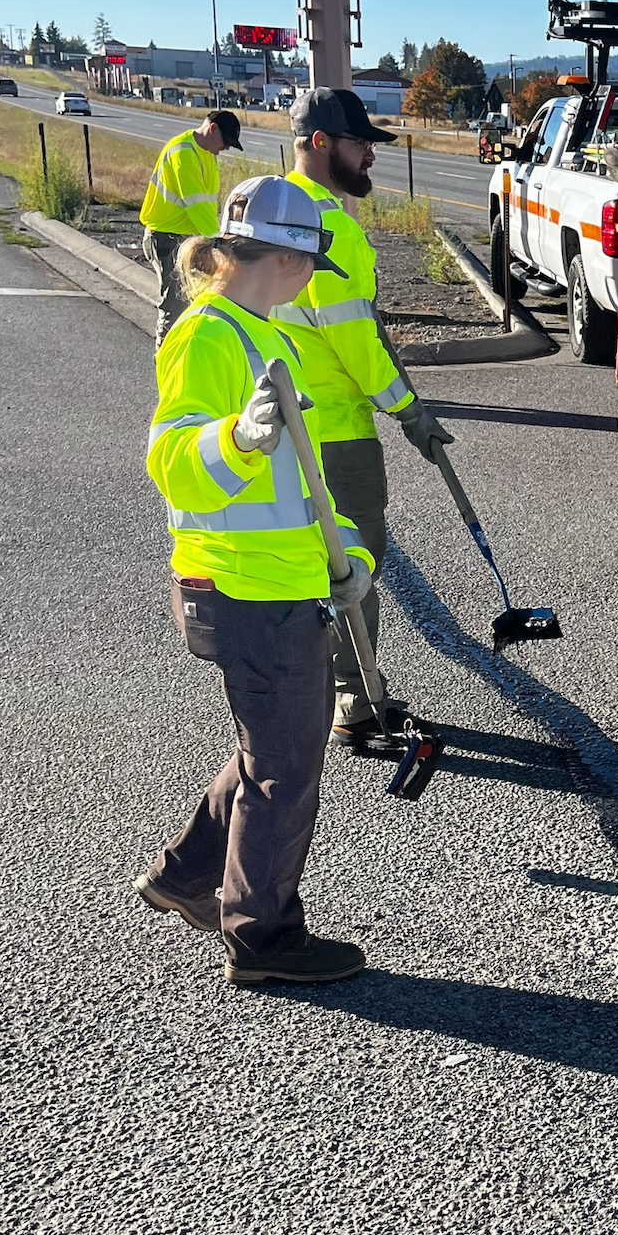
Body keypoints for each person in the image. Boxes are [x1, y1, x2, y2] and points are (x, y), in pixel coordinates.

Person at [136, 175, 376, 987]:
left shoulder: (256, 335)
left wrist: (351, 557)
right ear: (289, 260)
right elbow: (171, 465)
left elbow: (300, 487)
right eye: (312, 269)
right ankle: (262, 939)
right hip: (245, 593)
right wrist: (234, 438)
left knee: (265, 753)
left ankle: (186, 878)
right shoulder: (208, 338)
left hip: (270, 585)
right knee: (285, 767)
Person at [279, 85, 454, 745]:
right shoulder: (334, 228)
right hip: (335, 432)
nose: (369, 158)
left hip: (282, 431)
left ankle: (313, 697)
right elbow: (356, 340)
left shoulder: (269, 209)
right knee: (353, 564)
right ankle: (355, 704)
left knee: (303, 565)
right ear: (320, 142)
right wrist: (408, 411)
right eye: (360, 145)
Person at [140, 109, 243, 343]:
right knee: (175, 304)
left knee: (196, 300)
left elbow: (206, 206)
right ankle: (164, 357)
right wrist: (222, 242)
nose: (225, 148)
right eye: (225, 142)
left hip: (188, 237)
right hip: (166, 238)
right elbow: (196, 206)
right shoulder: (183, 153)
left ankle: (185, 352)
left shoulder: (206, 153)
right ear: (212, 128)